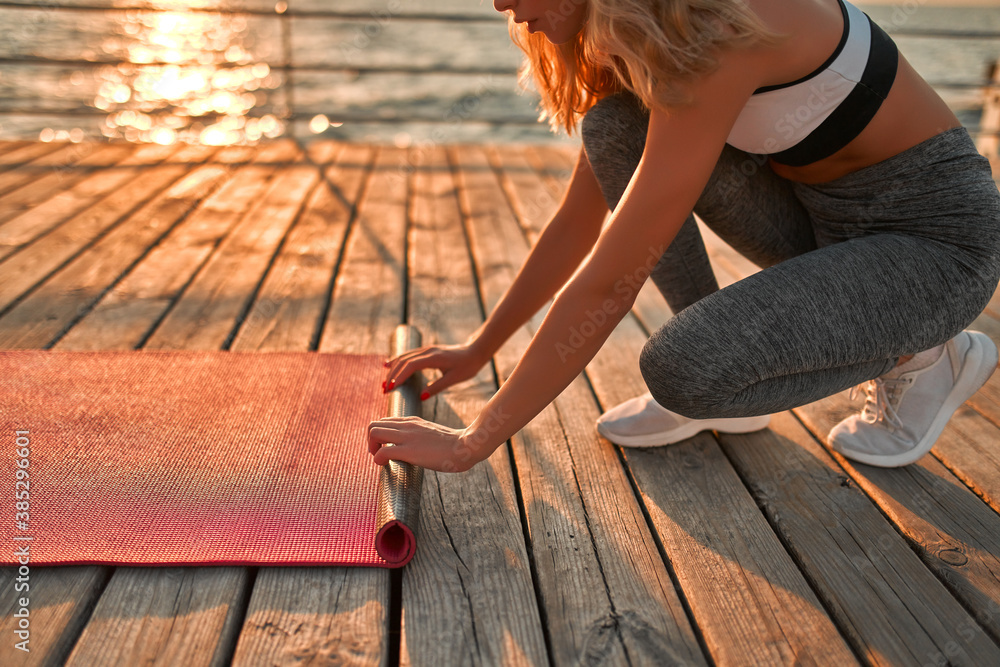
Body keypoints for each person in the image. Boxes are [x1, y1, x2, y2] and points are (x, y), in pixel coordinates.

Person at [367, 0, 1000, 472]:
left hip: (937, 248)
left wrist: (474, 440)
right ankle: (742, 385)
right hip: (825, 225)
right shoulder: (647, 28)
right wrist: (481, 349)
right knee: (615, 126)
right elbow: (580, 222)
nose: (499, 3)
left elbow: (613, 280)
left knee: (684, 371)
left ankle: (922, 351)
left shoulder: (717, 25)